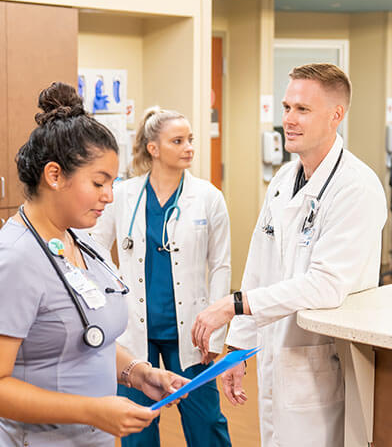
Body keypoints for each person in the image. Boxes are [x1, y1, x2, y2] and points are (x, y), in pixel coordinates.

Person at [191, 63, 388, 447]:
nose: (288, 121)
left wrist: (234, 306)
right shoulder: (283, 180)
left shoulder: (357, 188)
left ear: (336, 115)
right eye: (286, 108)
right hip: (275, 355)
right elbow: (258, 269)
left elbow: (325, 286)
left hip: (322, 363)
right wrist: (238, 347)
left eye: (302, 109)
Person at [0, 83, 188, 447]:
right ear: (54, 176)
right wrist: (91, 411)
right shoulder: (16, 259)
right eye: (99, 183)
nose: (110, 196)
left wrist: (139, 373)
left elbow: (88, 339)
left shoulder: (82, 240)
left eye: (113, 183)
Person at [91, 107, 232, 447]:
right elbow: (92, 249)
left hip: (192, 328)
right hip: (135, 328)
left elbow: (221, 266)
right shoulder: (123, 195)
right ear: (153, 148)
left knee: (206, 422)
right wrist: (107, 305)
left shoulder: (208, 197)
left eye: (190, 140)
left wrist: (215, 336)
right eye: (178, 141)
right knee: (137, 426)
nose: (189, 148)